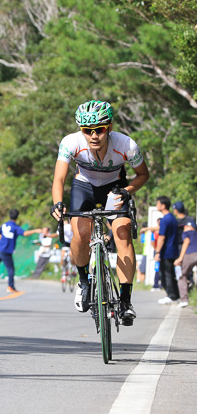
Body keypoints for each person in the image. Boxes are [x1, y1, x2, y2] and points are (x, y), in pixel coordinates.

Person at [51, 100, 149, 326]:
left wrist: (127, 191)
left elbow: (143, 175)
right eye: (87, 131)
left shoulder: (127, 145)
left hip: (114, 187)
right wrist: (58, 203)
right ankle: (84, 281)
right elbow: (59, 178)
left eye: (99, 130)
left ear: (110, 128)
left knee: (122, 234)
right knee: (80, 232)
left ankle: (125, 300)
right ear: (81, 130)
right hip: (83, 186)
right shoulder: (71, 142)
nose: (94, 135)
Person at [0, 209, 43, 293]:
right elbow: (24, 233)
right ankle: (10, 286)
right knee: (10, 269)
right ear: (17, 217)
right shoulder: (15, 227)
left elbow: (0, 234)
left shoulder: (4, 225)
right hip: (6, 250)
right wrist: (35, 230)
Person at [155, 196, 180, 305]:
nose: (157, 205)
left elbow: (161, 237)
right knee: (171, 273)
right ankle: (175, 295)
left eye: (158, 203)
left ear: (163, 205)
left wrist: (157, 252)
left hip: (166, 251)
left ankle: (171, 295)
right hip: (173, 250)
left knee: (166, 274)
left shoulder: (165, 219)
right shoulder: (173, 218)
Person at [174, 220, 196, 308]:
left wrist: (180, 258)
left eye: (185, 227)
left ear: (189, 227)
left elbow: (186, 242)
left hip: (190, 254)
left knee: (181, 275)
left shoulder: (187, 233)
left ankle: (184, 300)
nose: (184, 228)